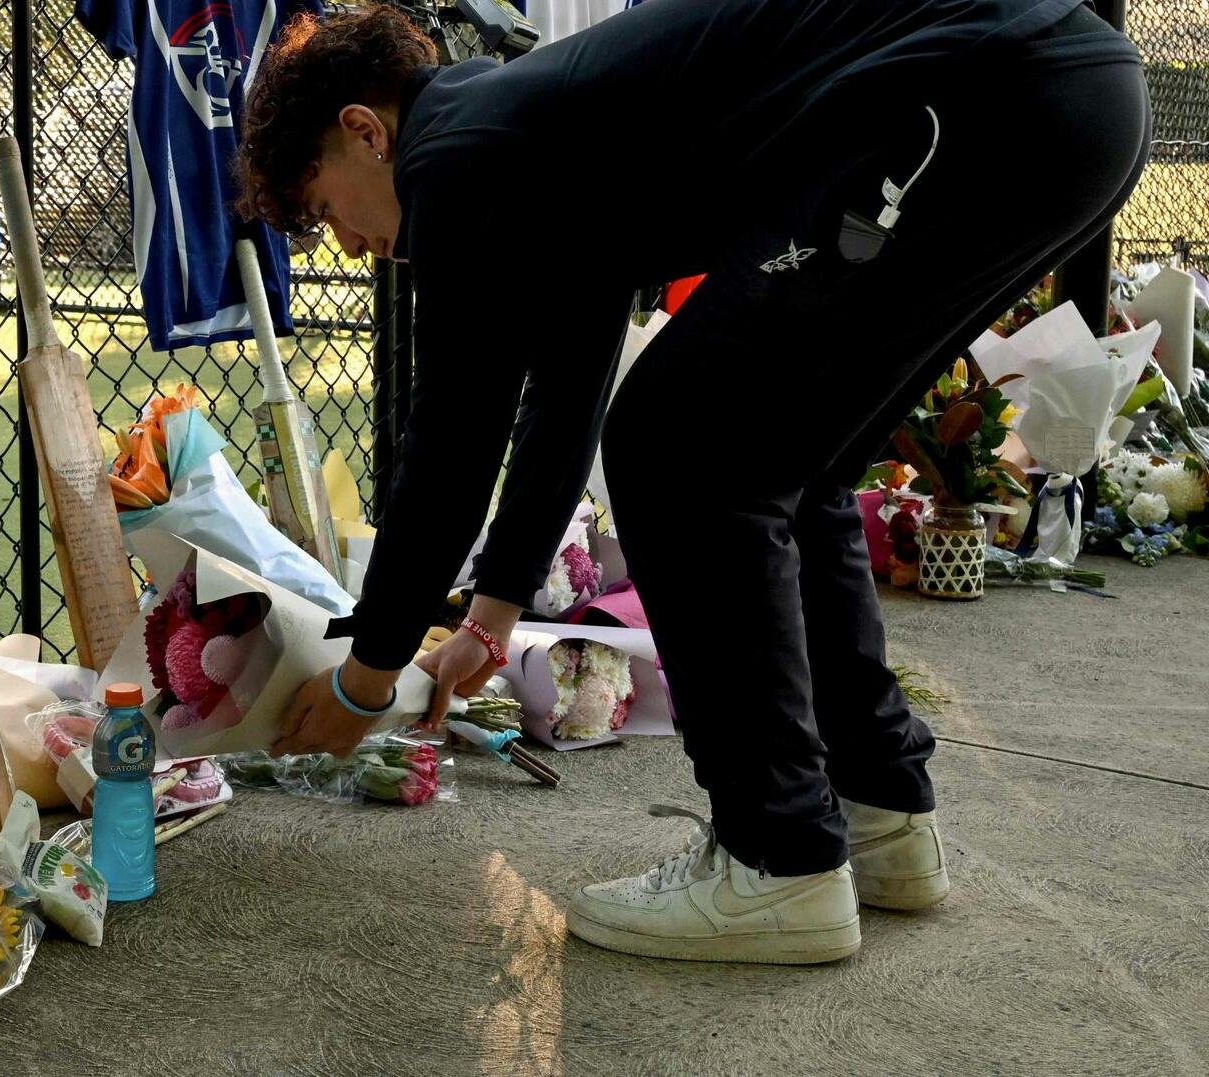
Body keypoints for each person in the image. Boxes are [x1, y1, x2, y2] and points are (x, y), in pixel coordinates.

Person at [248, 0, 1148, 964]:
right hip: (1061, 94)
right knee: (781, 462)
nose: (341, 242)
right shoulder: (520, 142)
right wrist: (490, 621)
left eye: (318, 204)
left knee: (682, 445)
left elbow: (453, 440)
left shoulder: (453, 156)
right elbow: (563, 397)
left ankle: (776, 859)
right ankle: (880, 808)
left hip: (973, 98)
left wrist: (366, 676)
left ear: (363, 129)